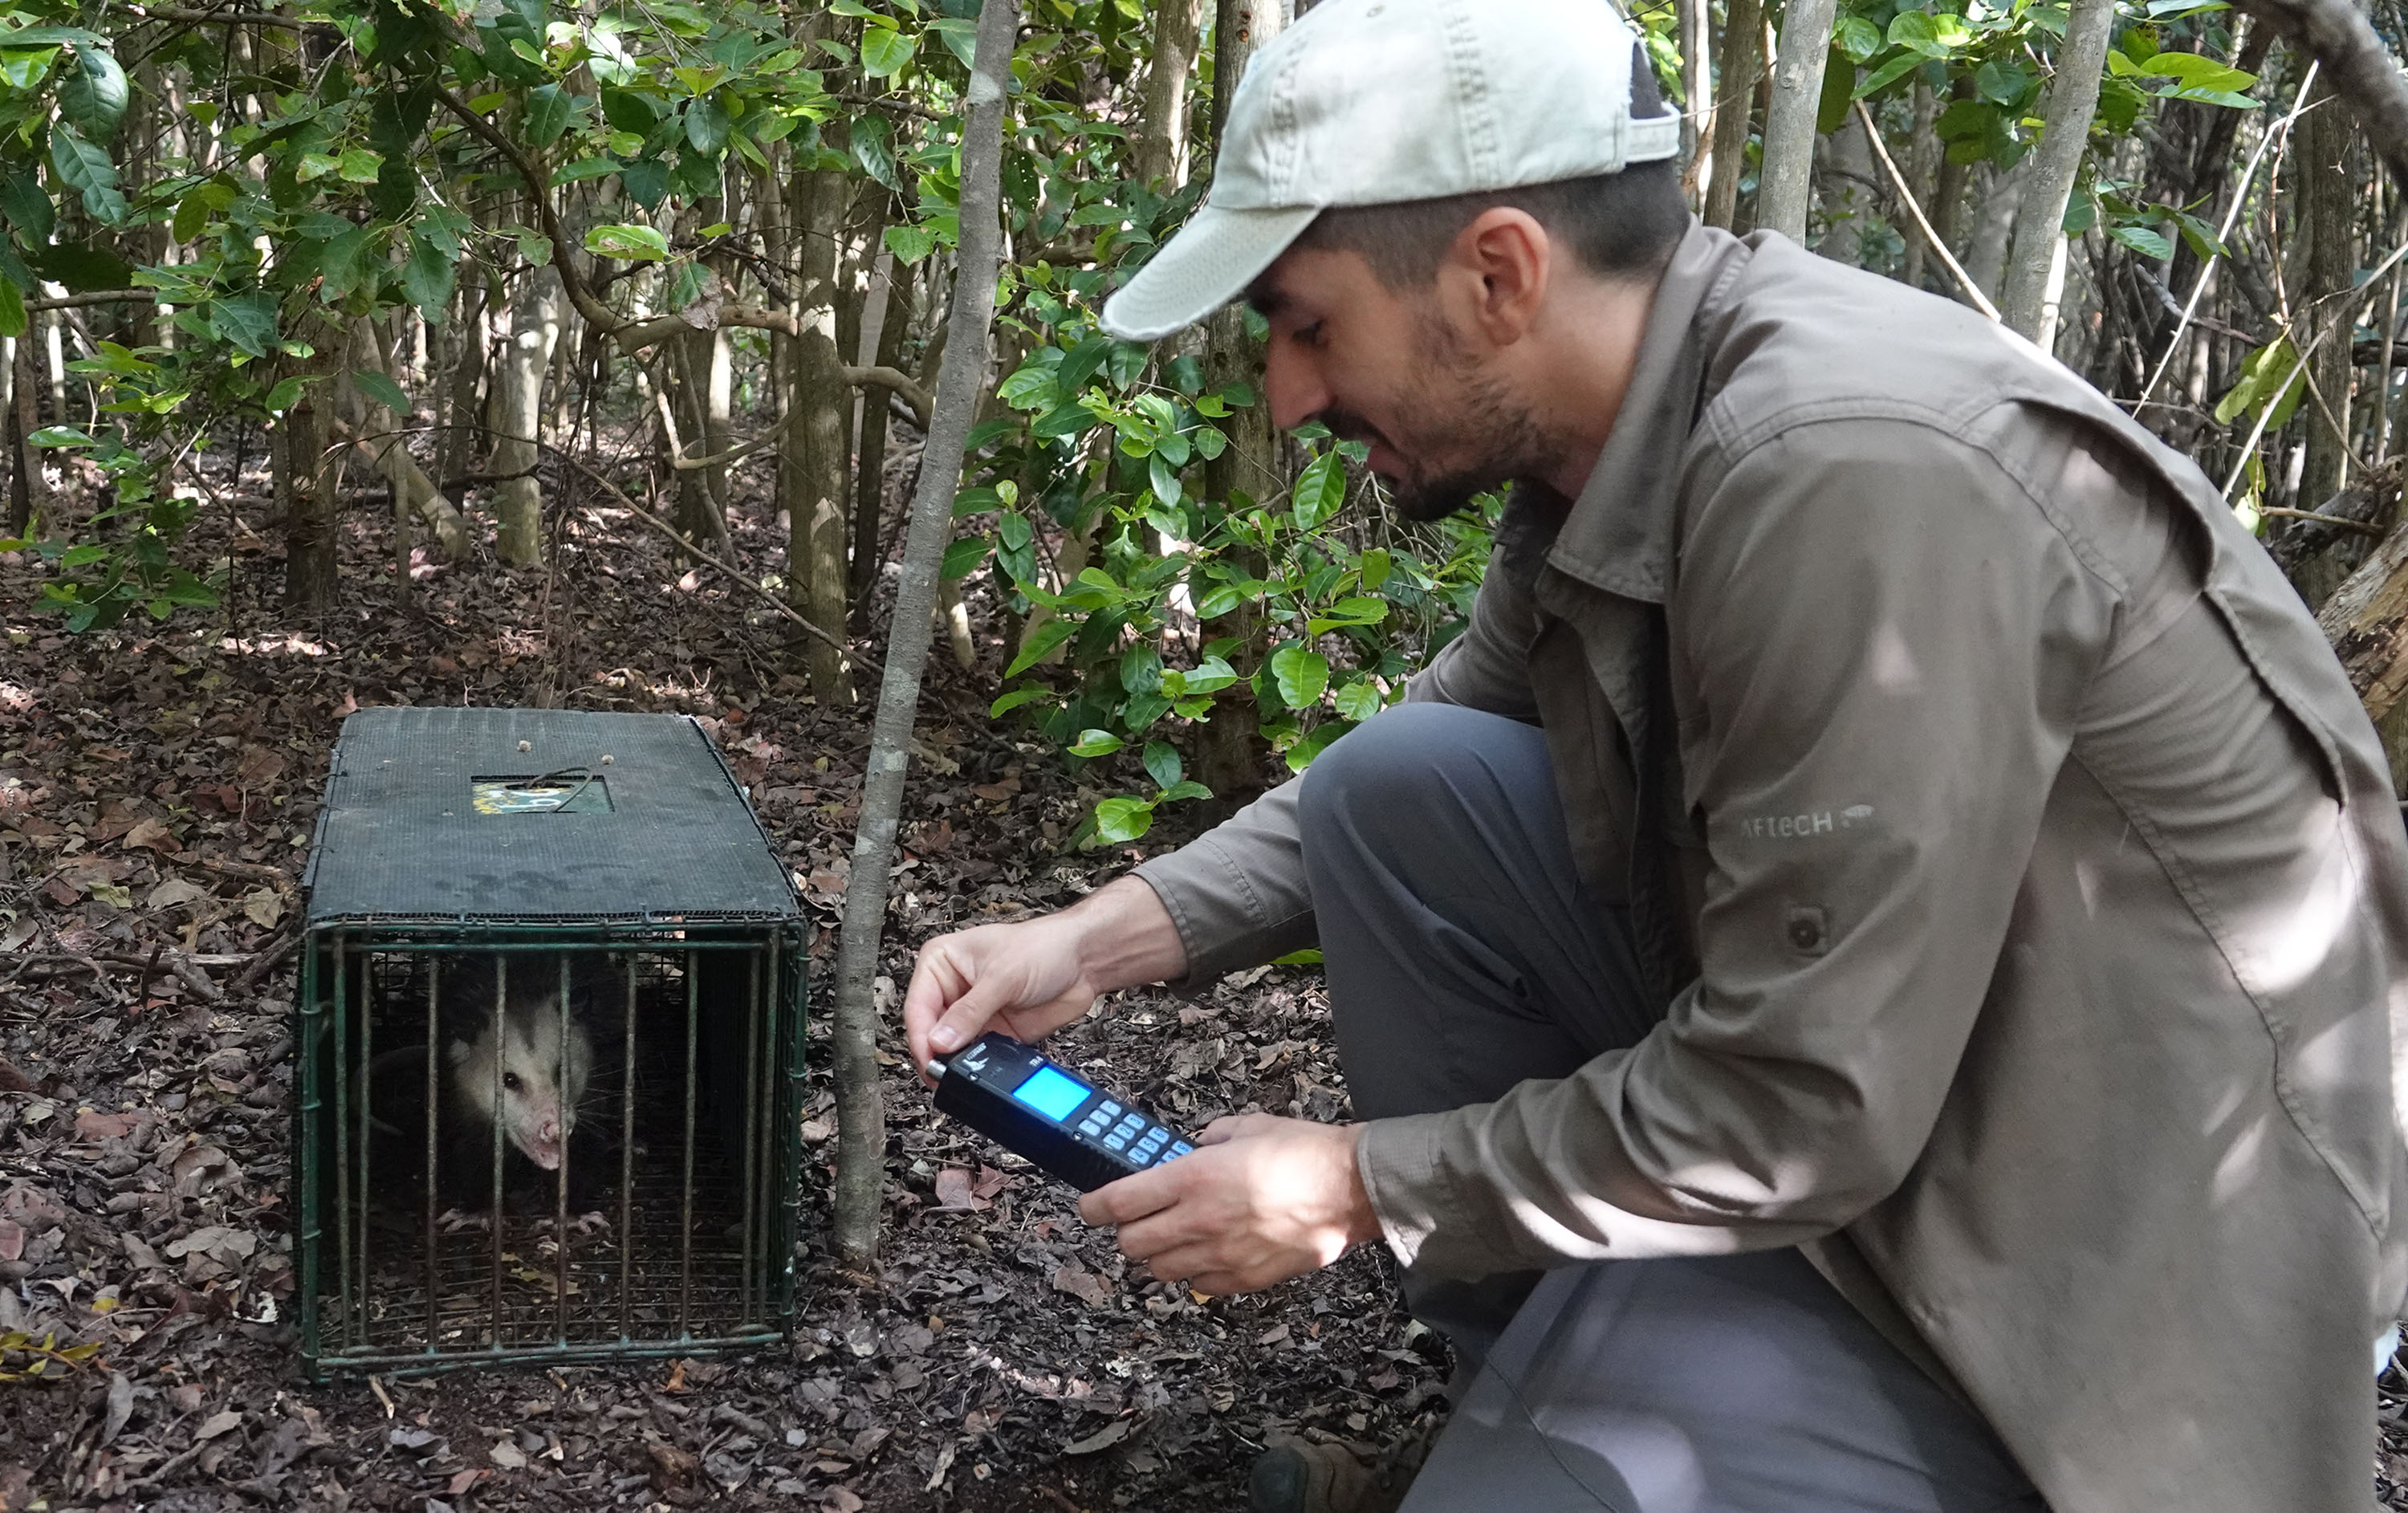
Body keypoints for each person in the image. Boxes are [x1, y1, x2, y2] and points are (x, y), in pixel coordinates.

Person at [904, 0, 2408, 1507]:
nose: (1290, 395)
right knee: (1399, 791)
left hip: (2111, 1236)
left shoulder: (1839, 473)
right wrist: (1095, 943)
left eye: (1308, 325)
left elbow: (1800, 1106)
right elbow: (1433, 746)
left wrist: (1355, 1183)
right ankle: (1549, 1383)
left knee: (1544, 1487)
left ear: (1499, 272)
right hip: (1909, 1084)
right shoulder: (1617, 440)